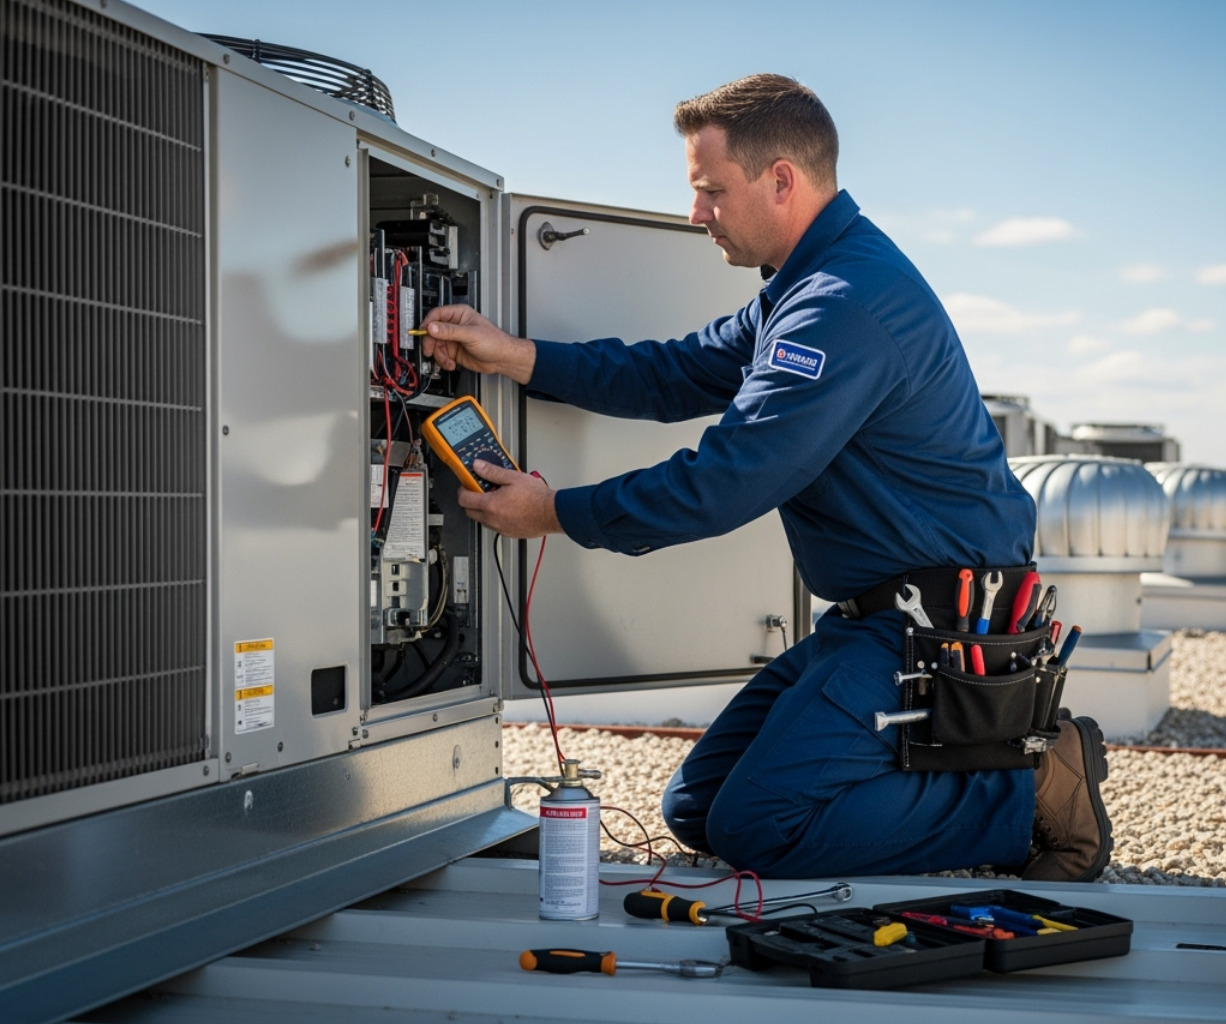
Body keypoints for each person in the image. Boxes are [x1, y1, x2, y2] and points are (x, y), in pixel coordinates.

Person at [421, 74, 1111, 881]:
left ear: (780, 179)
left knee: (762, 828)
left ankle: (1027, 793)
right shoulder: (805, 286)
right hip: (873, 622)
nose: (696, 213)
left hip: (935, 633)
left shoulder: (841, 304)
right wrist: (518, 357)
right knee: (695, 811)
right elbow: (674, 374)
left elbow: (728, 481)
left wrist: (556, 514)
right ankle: (965, 779)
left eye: (711, 190)